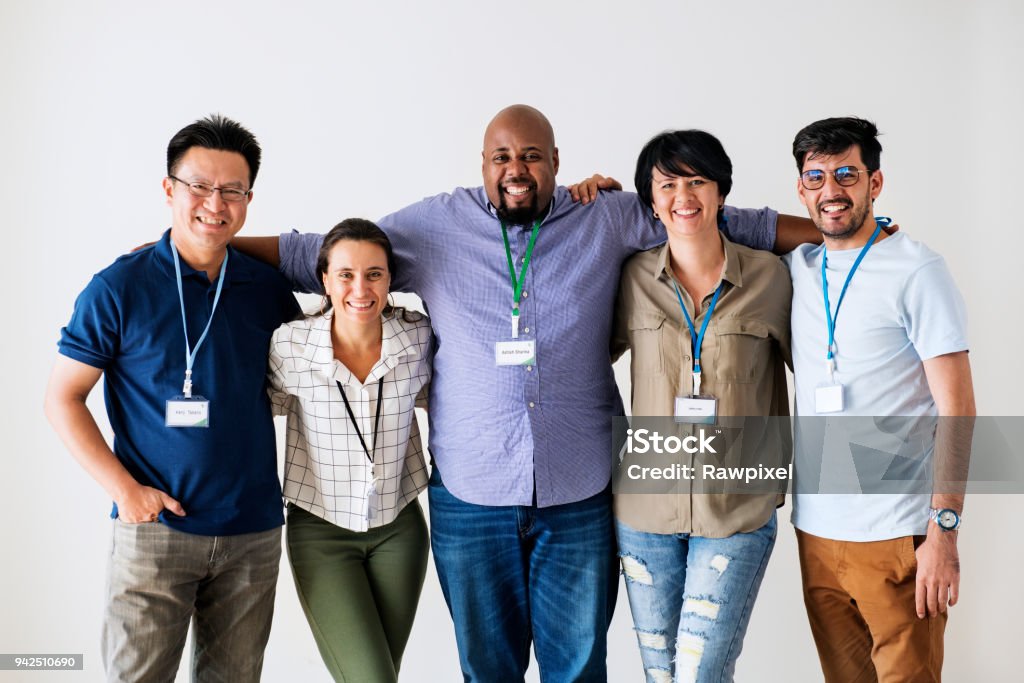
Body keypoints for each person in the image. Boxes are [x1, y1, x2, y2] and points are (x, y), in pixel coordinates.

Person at [234, 104, 816, 682]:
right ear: (482, 164)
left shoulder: (605, 217)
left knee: (578, 667)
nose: (517, 169)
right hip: (470, 497)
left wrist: (843, 231)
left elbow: (718, 217)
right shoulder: (433, 227)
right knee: (488, 670)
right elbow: (319, 255)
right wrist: (208, 250)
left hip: (581, 492)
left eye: (533, 156)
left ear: (557, 162)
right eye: (503, 157)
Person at [44, 115, 300, 682]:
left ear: (248, 199)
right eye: (200, 187)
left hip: (251, 532)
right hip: (157, 528)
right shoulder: (118, 287)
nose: (216, 202)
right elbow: (63, 397)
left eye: (232, 190)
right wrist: (125, 492)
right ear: (169, 190)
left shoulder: (266, 289)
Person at [785, 117, 975, 682]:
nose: (831, 191)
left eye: (847, 173)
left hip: (898, 534)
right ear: (801, 189)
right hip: (816, 533)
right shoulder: (800, 266)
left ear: (876, 182)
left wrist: (943, 531)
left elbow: (959, 409)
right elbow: (714, 220)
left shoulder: (918, 270)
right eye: (815, 177)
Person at [610, 130, 792, 683]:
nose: (682, 196)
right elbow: (578, 356)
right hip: (645, 517)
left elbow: (828, 368)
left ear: (720, 193)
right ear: (650, 198)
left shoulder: (771, 277)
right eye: (667, 184)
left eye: (696, 181)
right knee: (661, 676)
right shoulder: (631, 278)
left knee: (700, 673)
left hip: (735, 511)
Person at [268, 218, 432, 682]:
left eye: (374, 274)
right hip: (321, 533)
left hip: (399, 530)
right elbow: (257, 414)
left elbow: (451, 403)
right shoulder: (290, 346)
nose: (360, 288)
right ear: (324, 278)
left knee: (379, 674)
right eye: (345, 274)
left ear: (390, 279)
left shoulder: (417, 340)